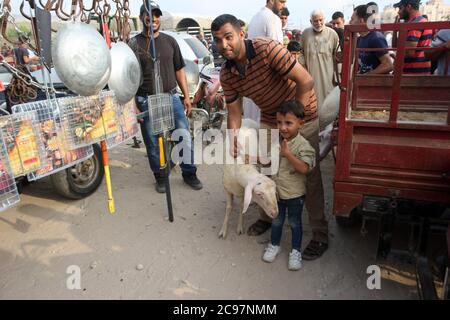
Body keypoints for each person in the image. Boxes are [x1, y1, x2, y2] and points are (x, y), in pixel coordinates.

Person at [212, 14, 329, 260]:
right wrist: (233, 137)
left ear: (241, 33)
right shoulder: (227, 73)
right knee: (267, 168)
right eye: (218, 40)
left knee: (308, 173)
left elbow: (305, 81)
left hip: (302, 112)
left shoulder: (267, 49)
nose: (224, 45)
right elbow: (234, 111)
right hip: (270, 115)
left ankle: (319, 233)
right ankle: (267, 217)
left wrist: (293, 122)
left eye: (228, 37)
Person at [129, 3, 203, 193]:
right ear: (141, 17)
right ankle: (160, 176)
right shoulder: (134, 44)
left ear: (159, 18)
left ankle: (189, 172)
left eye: (156, 15)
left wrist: (186, 96)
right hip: (146, 100)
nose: (153, 19)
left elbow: (179, 69)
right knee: (153, 142)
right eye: (148, 15)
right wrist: (132, 105)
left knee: (183, 135)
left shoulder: (170, 41)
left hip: (171, 97)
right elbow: (128, 78)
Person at [262, 101, 315, 271]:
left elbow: (305, 168)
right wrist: (253, 158)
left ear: (301, 123)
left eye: (288, 123)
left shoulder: (303, 145)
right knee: (276, 221)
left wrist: (288, 155)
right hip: (278, 193)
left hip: (294, 195)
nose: (283, 127)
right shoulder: (278, 142)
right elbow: (269, 159)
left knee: (294, 223)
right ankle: (275, 245)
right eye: (279, 123)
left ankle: (295, 251)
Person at [244, 0, 287, 124]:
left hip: (253, 77)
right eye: (282, 2)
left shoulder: (255, 17)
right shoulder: (272, 19)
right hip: (267, 81)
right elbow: (278, 53)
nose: (283, 6)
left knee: (252, 125)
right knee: (267, 129)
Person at [300, 10, 339, 109]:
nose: (318, 23)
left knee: (327, 108)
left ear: (324, 19)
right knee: (312, 105)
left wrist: (338, 77)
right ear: (310, 21)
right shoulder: (305, 34)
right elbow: (301, 54)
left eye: (320, 20)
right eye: (315, 21)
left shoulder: (333, 34)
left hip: (328, 80)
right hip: (310, 78)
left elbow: (338, 57)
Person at [350, 4, 393, 74]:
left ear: (361, 20)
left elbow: (388, 65)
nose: (350, 22)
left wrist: (366, 76)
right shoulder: (360, 39)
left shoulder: (376, 38)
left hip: (376, 84)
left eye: (352, 19)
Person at [394, 0, 433, 74]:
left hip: (413, 73)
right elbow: (395, 46)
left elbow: (409, 52)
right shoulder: (416, 22)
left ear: (408, 7)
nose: (398, 12)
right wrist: (395, 29)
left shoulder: (416, 23)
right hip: (415, 72)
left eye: (400, 8)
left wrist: (395, 58)